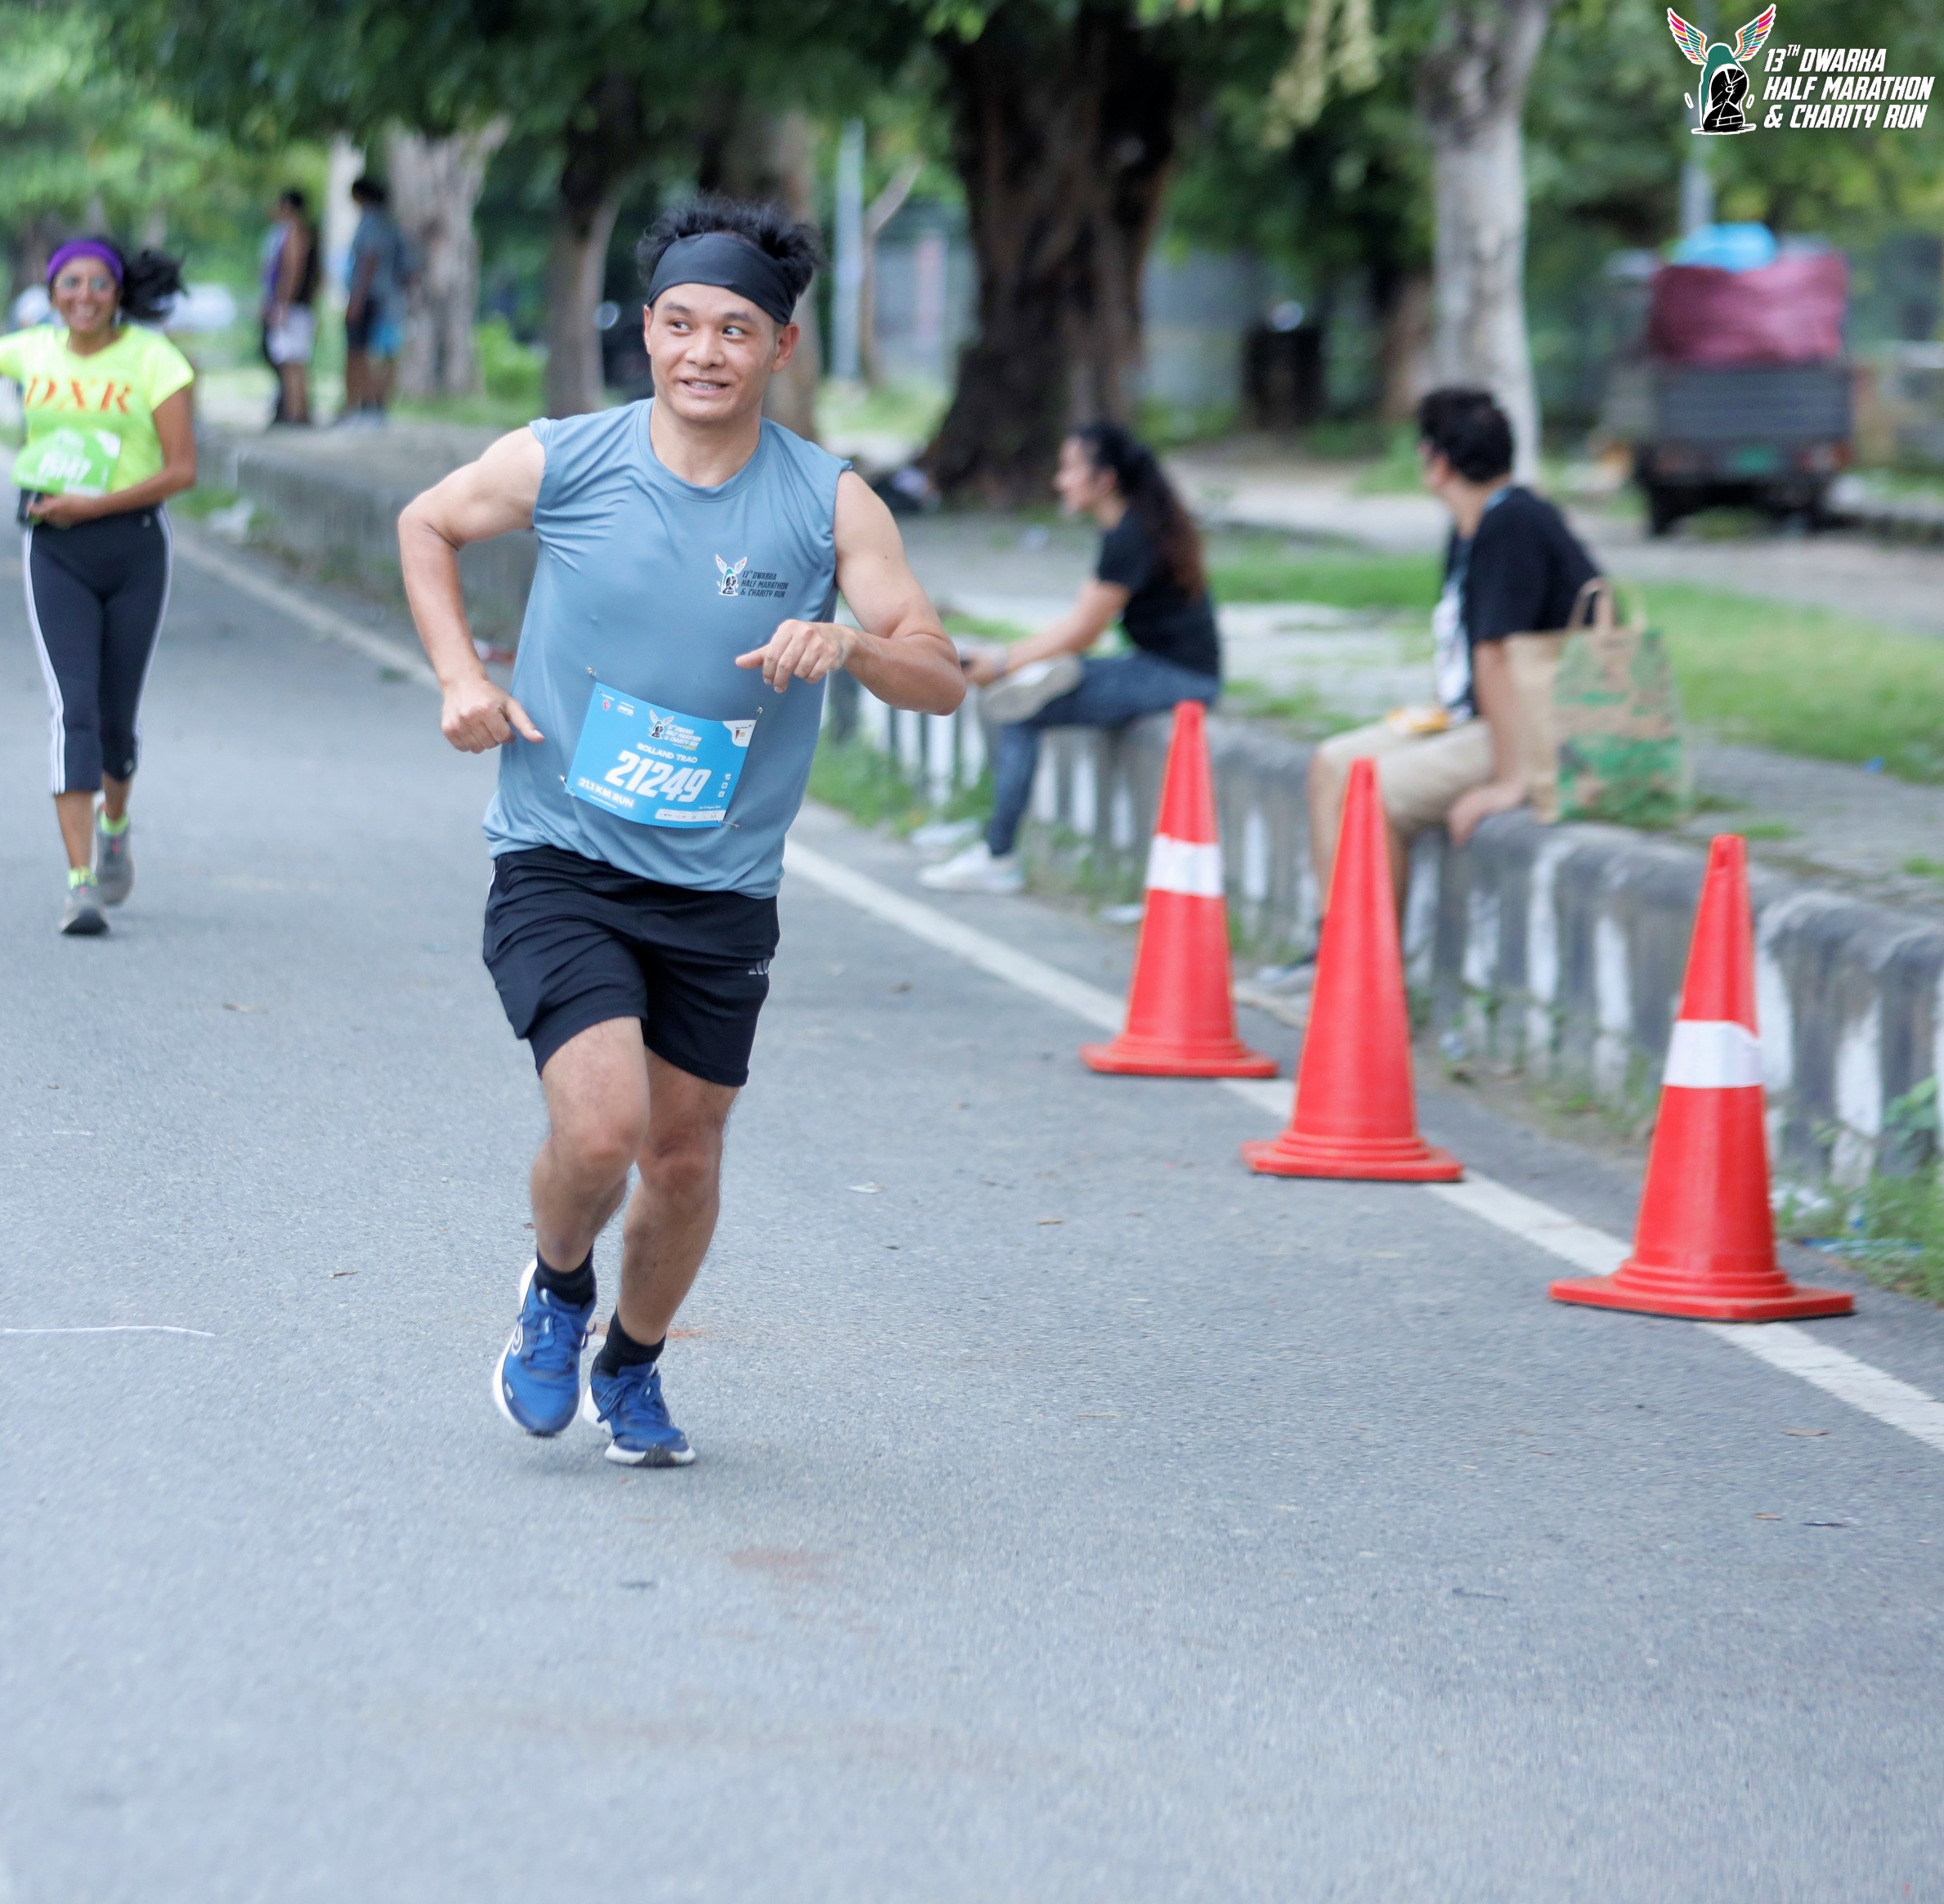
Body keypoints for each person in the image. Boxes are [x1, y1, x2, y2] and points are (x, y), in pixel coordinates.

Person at [396, 199, 967, 1467]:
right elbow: (424, 522)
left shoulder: (827, 501)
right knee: (601, 1128)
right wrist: (458, 676)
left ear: (781, 346)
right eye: (679, 324)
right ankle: (557, 1288)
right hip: (561, 855)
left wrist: (852, 644)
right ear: (647, 332)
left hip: (720, 887)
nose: (703, 351)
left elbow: (938, 673)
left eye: (735, 329)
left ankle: (633, 1363)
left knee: (685, 1156)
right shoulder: (567, 459)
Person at [1265, 387, 1600, 984]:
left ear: (1438, 461)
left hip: (1543, 726)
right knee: (1330, 764)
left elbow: (1495, 658)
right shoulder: (1474, 524)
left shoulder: (1512, 524)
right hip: (1479, 713)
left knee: (1380, 792)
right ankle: (1334, 948)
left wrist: (1508, 782)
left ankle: (1370, 981)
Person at [0, 237, 199, 937]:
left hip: (134, 549)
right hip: (55, 549)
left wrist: (94, 507)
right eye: (70, 283)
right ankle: (80, 884)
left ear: (118, 291)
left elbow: (181, 470)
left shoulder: (154, 359)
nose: (84, 295)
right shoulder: (32, 350)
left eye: (98, 283)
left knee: (116, 722)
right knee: (74, 709)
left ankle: (115, 827)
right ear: (51, 294)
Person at [921, 423, 1223, 894]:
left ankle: (999, 855)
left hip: (1179, 678)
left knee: (1020, 706)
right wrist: (1006, 661)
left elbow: (1083, 631)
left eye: (1069, 470)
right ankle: (991, 832)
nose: (1059, 481)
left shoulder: (1130, 535)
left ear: (1104, 480)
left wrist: (1001, 662)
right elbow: (1081, 623)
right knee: (1018, 694)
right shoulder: (1133, 526)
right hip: (1161, 666)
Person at [339, 177, 406, 424]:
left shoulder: (372, 223)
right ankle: (374, 404)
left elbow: (369, 259)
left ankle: (364, 403)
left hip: (370, 298)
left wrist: (357, 298)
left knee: (359, 352)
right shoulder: (391, 224)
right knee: (382, 353)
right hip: (387, 299)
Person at [258, 189, 316, 427]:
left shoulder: (293, 233)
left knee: (292, 362)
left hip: (292, 307)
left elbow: (292, 271)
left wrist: (282, 303)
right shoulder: (302, 232)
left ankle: (296, 413)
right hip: (297, 306)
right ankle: (297, 411)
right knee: (294, 360)